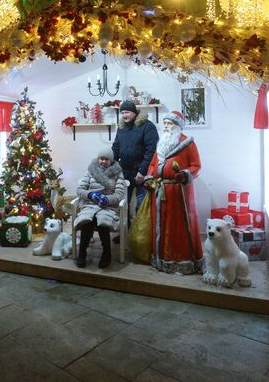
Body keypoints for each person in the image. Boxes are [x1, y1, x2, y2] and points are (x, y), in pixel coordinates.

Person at [147, 111, 203, 275]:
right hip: (159, 190)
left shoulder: (188, 143)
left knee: (177, 227)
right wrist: (150, 177)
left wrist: (185, 174)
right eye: (164, 123)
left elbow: (196, 166)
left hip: (179, 192)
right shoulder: (161, 144)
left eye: (169, 123)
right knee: (161, 225)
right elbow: (152, 165)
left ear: (178, 126)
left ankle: (181, 260)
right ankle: (161, 259)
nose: (166, 127)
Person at [111, 100, 158, 241]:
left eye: (127, 112)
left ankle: (140, 237)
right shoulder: (121, 127)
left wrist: (142, 171)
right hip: (124, 172)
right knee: (123, 205)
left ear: (135, 112)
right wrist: (109, 165)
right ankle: (125, 233)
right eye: (122, 112)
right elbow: (116, 148)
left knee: (141, 205)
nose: (124, 115)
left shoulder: (147, 126)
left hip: (141, 172)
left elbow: (152, 151)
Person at [74, 147, 126, 268]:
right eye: (101, 159)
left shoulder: (117, 173)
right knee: (87, 220)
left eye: (106, 159)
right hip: (91, 204)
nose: (103, 161)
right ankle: (82, 253)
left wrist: (108, 199)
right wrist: (90, 194)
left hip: (108, 206)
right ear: (98, 159)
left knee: (102, 222)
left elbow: (119, 194)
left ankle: (106, 253)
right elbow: (79, 189)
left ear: (111, 160)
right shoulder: (91, 170)